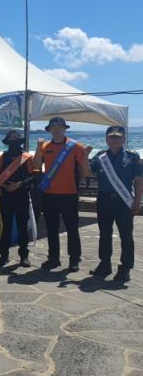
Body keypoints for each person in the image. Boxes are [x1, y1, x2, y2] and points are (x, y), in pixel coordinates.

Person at [33, 117, 91, 271]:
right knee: (51, 229)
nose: (57, 129)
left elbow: (85, 171)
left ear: (65, 128)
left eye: (60, 126)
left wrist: (86, 157)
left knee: (72, 228)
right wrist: (38, 148)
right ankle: (53, 258)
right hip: (49, 194)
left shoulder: (75, 146)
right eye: (54, 126)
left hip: (69, 194)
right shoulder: (44, 146)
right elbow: (37, 167)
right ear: (49, 129)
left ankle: (74, 259)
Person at [89, 126, 142, 282]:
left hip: (123, 202)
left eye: (118, 137)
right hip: (104, 200)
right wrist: (84, 155)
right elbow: (87, 172)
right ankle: (105, 264)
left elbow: (138, 180)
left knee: (126, 236)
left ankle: (125, 268)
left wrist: (138, 201)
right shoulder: (100, 157)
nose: (114, 139)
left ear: (124, 139)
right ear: (106, 139)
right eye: (111, 137)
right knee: (104, 234)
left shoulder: (132, 157)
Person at [0, 130, 35, 267]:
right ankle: (4, 255)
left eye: (15, 139)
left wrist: (19, 184)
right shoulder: (2, 157)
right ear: (7, 142)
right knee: (6, 227)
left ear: (20, 141)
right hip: (6, 196)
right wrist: (5, 186)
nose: (13, 142)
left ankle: (24, 256)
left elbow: (34, 176)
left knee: (22, 227)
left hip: (22, 195)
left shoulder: (27, 157)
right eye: (11, 139)